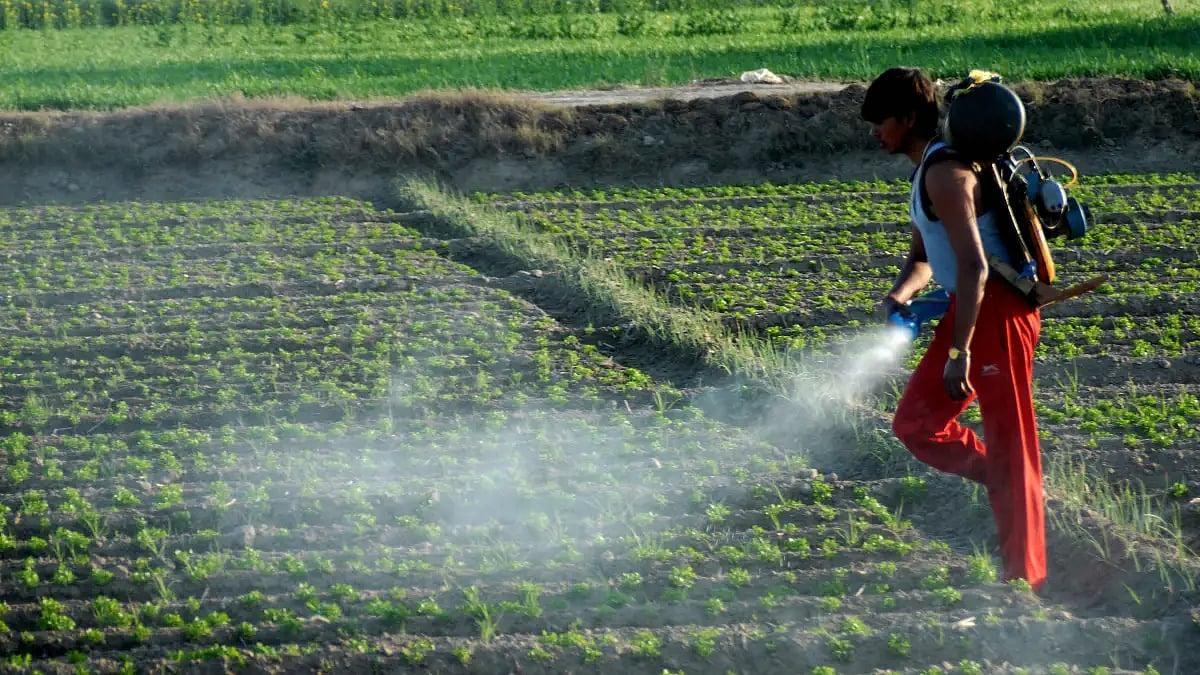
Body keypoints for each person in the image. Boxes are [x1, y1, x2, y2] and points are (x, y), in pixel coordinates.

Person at [860, 67, 1046, 592]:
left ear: (909, 118)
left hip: (997, 313)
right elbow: (925, 257)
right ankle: (1006, 481)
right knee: (916, 424)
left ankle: (1024, 579)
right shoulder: (926, 172)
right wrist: (901, 294)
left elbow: (974, 267)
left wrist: (959, 350)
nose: (876, 131)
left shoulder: (946, 173)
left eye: (882, 121)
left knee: (1012, 442)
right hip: (967, 310)